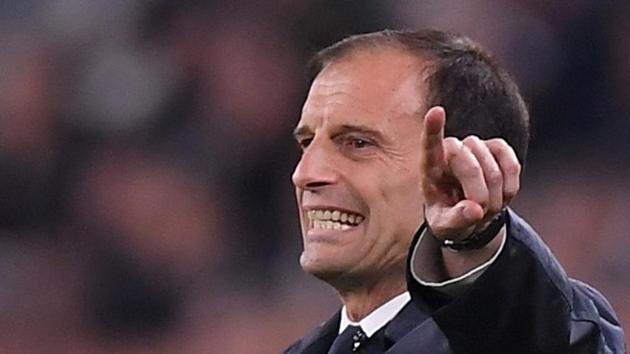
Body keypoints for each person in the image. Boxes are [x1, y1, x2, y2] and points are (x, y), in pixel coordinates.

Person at [283, 29, 625, 353]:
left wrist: (477, 243)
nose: (305, 174)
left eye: (358, 143)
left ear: (463, 166)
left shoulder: (530, 332)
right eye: (307, 143)